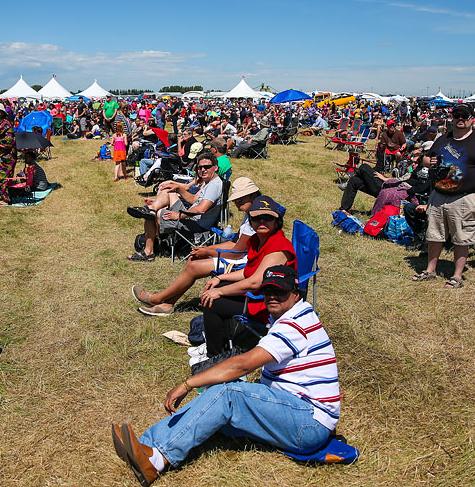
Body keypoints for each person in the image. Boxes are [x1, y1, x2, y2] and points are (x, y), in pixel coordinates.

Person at [111, 265, 338, 486]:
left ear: (295, 293)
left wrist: (187, 383)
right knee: (219, 397)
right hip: (299, 412)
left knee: (228, 393)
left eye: (280, 291)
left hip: (308, 425)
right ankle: (145, 445)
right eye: (268, 290)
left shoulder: (294, 325)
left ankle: (156, 457)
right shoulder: (295, 315)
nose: (272, 296)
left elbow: (242, 364)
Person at [132, 177, 261, 316]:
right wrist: (209, 249)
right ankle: (168, 304)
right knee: (193, 259)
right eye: (236, 198)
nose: (237, 201)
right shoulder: (251, 213)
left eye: (242, 197)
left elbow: (237, 252)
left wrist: (208, 251)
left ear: (253, 195)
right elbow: (236, 242)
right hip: (241, 255)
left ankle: (156, 299)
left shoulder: (256, 218)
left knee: (194, 266)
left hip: (248, 262)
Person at [412, 103, 475, 289]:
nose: (460, 119)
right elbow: (426, 159)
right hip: (439, 194)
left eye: (464, 116)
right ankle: (430, 271)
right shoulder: (444, 138)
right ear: (452, 119)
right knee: (434, 234)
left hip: (464, 197)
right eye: (457, 116)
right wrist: (429, 161)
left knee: (462, 237)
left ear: (472, 119)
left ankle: (457, 275)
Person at [199, 196, 296, 357]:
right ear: (250, 221)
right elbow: (248, 272)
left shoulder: (279, 247)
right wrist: (221, 278)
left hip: (270, 304)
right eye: (256, 218)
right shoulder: (257, 240)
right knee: (215, 288)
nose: (261, 222)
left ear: (277, 221)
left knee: (212, 302)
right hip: (259, 295)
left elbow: (254, 282)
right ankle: (218, 343)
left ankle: (214, 356)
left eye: (268, 218)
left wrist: (221, 292)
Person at [126, 153, 223, 262]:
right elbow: (194, 200)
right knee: (168, 190)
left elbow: (201, 209)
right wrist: (177, 188)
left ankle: (149, 252)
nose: (203, 170)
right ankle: (153, 207)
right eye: (200, 167)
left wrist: (180, 215)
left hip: (195, 223)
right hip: (193, 217)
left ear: (215, 168)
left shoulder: (214, 185)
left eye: (207, 167)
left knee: (155, 214)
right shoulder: (211, 182)